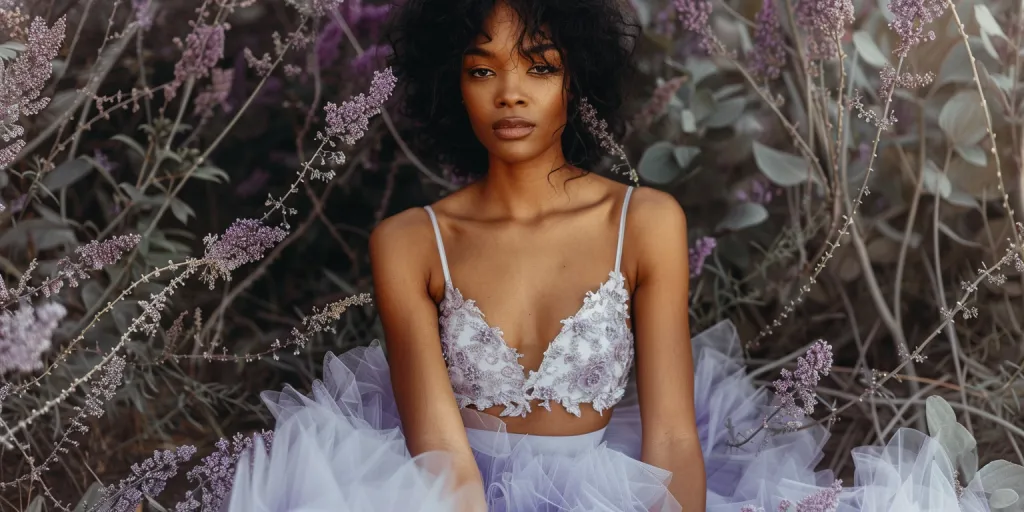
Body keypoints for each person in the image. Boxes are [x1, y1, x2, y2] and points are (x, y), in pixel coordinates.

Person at [225, 1, 996, 511]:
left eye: (540, 65)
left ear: (577, 76)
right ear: (450, 86)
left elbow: (668, 439)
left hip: (617, 491)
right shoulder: (407, 243)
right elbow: (445, 463)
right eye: (482, 69)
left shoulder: (645, 221)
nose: (511, 94)